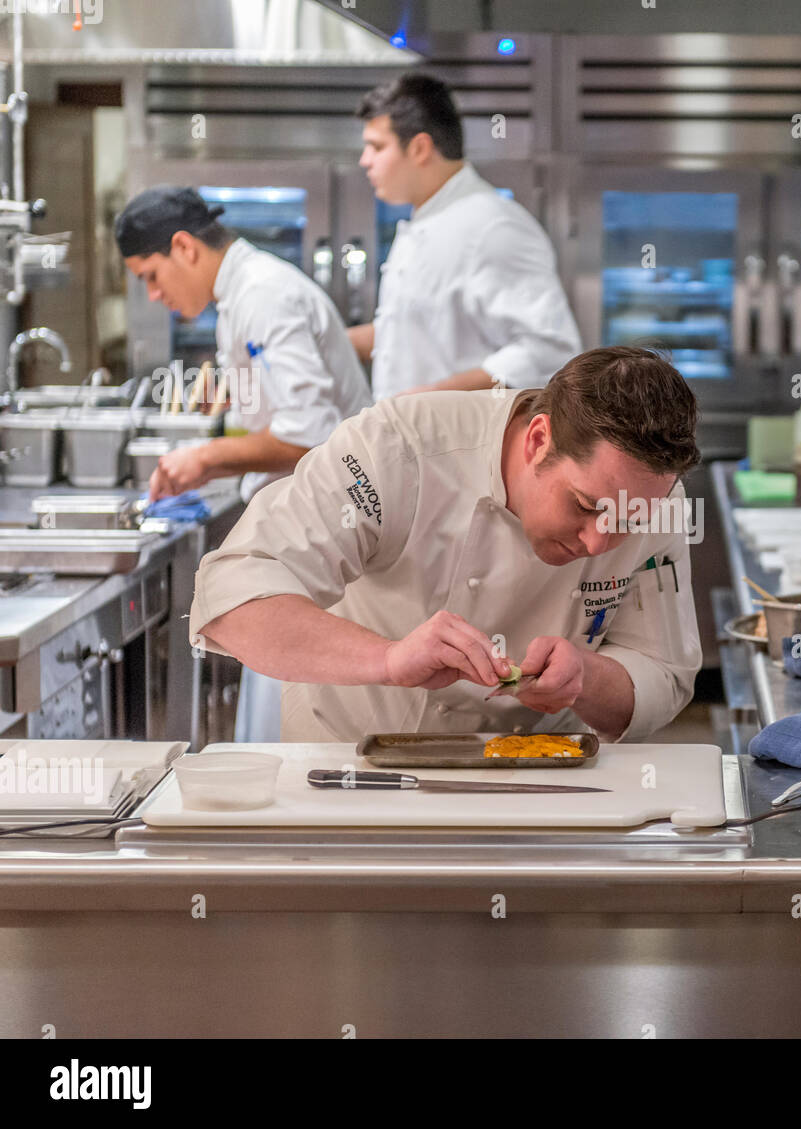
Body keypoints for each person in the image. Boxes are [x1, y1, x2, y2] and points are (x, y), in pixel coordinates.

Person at [188, 347, 702, 744]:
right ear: (538, 440)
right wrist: (389, 660)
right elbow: (234, 593)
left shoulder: (654, 495)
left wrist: (586, 677)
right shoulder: (398, 447)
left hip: (537, 788)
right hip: (352, 772)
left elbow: (663, 672)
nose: (599, 542)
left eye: (628, 519)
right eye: (584, 506)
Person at [116, 185, 374, 741]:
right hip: (303, 535)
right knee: (275, 716)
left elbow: (312, 436)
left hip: (329, 541)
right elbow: (287, 399)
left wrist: (208, 458)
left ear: (184, 247)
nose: (155, 295)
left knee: (295, 726)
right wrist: (235, 387)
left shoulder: (262, 294)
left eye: (150, 276)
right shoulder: (241, 297)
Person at [348, 72, 581, 399]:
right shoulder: (426, 219)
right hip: (411, 437)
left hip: (461, 443)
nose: (365, 161)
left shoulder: (493, 226)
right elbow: (413, 330)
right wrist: (327, 341)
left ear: (419, 148)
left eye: (376, 147)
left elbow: (548, 351)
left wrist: (427, 402)